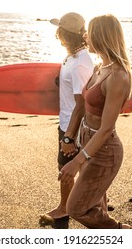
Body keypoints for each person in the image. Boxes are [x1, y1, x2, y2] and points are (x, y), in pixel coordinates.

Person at [59, 14, 132, 229]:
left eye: (89, 32)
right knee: (95, 203)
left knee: (76, 208)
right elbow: (83, 105)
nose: (84, 36)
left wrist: (77, 161)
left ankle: (120, 232)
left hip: (104, 149)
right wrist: (71, 137)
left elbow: (107, 128)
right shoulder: (100, 68)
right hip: (87, 139)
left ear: (101, 36)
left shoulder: (118, 76)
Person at [40, 12, 94, 224]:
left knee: (66, 168)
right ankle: (88, 202)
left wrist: (69, 137)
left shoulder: (80, 62)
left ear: (63, 34)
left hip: (73, 126)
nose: (57, 35)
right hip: (67, 121)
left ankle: (65, 208)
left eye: (59, 31)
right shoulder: (72, 57)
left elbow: (82, 104)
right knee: (72, 167)